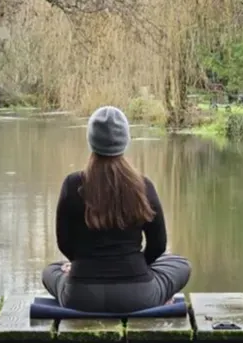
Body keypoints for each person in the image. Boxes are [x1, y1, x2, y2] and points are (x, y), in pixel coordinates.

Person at [41, 105, 191, 313]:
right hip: (139, 296)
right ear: (126, 141)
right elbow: (158, 245)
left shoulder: (72, 184)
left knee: (51, 270)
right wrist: (141, 267)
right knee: (179, 263)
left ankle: (71, 274)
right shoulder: (143, 185)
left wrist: (78, 265)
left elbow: (64, 243)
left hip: (81, 296)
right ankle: (159, 295)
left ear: (91, 140)